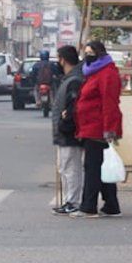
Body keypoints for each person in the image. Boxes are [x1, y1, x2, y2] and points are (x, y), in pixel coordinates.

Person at [71, 40, 123, 218]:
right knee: (101, 167)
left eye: (91, 53)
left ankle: (88, 206)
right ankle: (111, 205)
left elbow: (110, 104)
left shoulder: (107, 74)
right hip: (89, 126)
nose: (87, 57)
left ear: (100, 54)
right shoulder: (92, 72)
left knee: (92, 168)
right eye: (86, 53)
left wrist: (109, 130)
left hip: (98, 128)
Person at [51, 45, 85, 215]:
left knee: (71, 168)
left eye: (58, 58)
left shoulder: (74, 80)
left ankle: (73, 201)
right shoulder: (69, 78)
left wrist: (65, 121)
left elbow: (74, 107)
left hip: (69, 131)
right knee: (66, 167)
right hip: (65, 131)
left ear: (63, 59)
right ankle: (69, 200)